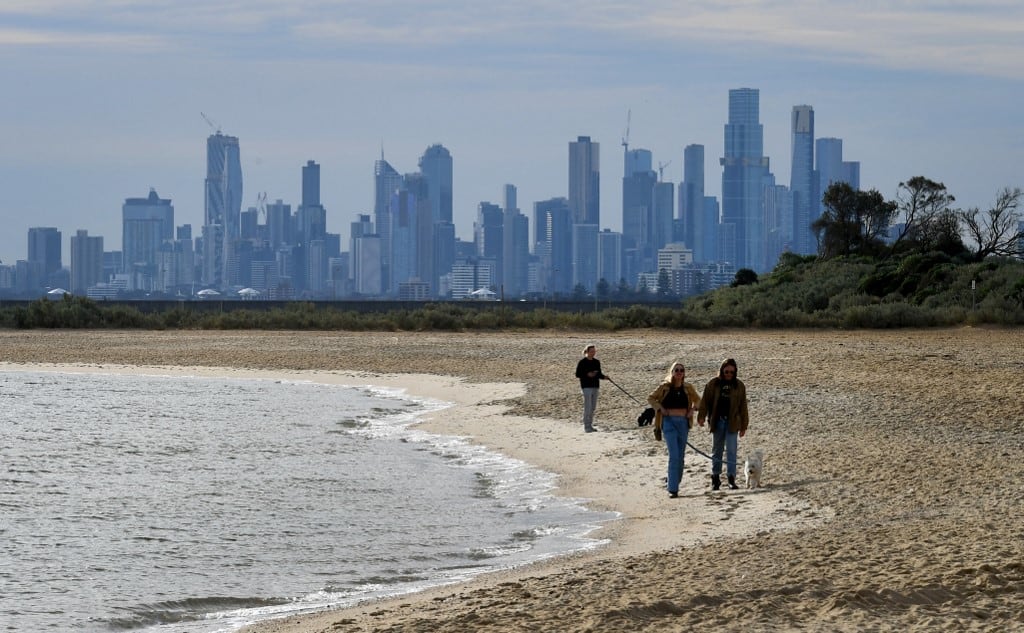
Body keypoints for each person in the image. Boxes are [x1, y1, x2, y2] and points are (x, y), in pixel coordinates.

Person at [648, 362, 701, 498]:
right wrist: (660, 408)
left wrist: (692, 410)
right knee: (674, 455)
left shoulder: (688, 387)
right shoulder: (664, 387)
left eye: (681, 370)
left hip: (683, 423)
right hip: (668, 422)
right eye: (676, 370)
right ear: (672, 372)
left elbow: (699, 401)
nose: (679, 372)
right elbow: (651, 398)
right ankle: (673, 489)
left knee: (681, 456)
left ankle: (674, 481)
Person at [697, 358, 750, 490]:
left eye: (732, 372)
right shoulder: (713, 384)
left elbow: (743, 406)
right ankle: (715, 478)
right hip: (718, 421)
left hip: (732, 422)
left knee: (731, 451)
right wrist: (701, 416)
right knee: (717, 451)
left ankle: (731, 478)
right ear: (722, 370)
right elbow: (705, 401)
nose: (729, 374)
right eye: (726, 371)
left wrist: (744, 426)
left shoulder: (739, 386)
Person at [574, 344, 608, 433]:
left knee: (593, 407)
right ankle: (587, 426)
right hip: (586, 386)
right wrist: (587, 374)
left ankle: (590, 425)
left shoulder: (596, 362)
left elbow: (599, 374)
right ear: (587, 352)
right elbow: (577, 374)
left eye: (594, 351)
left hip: (595, 386)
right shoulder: (582, 362)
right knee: (588, 407)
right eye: (591, 351)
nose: (593, 353)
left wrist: (604, 377)